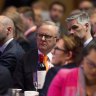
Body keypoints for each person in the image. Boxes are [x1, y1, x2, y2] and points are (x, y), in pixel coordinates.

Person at [13, 21, 59, 91]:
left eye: (47, 36)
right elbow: (17, 87)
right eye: (40, 35)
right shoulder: (25, 58)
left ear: (56, 40)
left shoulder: (61, 59)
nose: (43, 39)